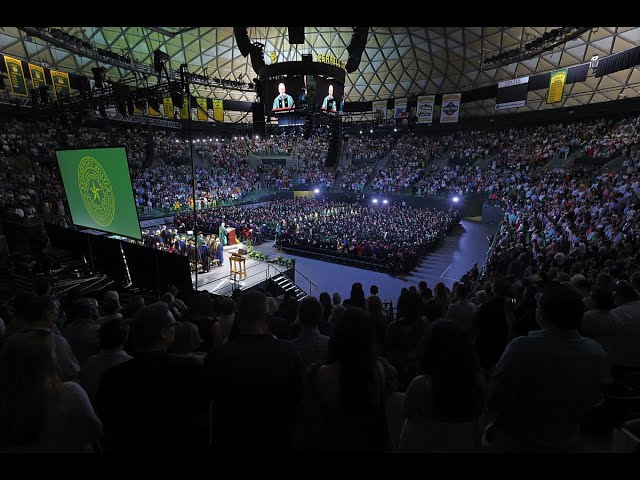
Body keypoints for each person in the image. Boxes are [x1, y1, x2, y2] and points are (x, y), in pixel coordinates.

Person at [486, 283, 612, 452]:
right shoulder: (597, 351)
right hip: (568, 439)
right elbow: (596, 397)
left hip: (517, 440)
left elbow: (494, 400)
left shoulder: (521, 347)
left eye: (538, 306)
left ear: (541, 314)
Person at [0, 330, 102, 452]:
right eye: (53, 353)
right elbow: (94, 431)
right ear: (47, 361)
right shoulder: (70, 392)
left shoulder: (6, 402)